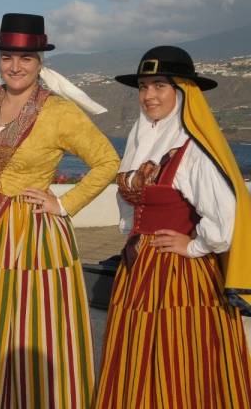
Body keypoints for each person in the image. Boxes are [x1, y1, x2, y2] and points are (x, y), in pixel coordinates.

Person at [0, 13, 120, 408]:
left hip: (34, 236)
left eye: (25, 58)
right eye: (8, 57)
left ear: (41, 62)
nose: (15, 66)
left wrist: (63, 202)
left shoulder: (59, 111)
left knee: (32, 326)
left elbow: (107, 160)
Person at [94, 46, 251, 407]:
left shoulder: (192, 148)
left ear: (182, 92)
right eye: (144, 86)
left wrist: (194, 245)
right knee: (138, 355)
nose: (149, 95)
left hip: (179, 275)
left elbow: (225, 219)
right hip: (138, 268)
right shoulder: (140, 139)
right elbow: (130, 203)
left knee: (176, 355)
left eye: (160, 86)